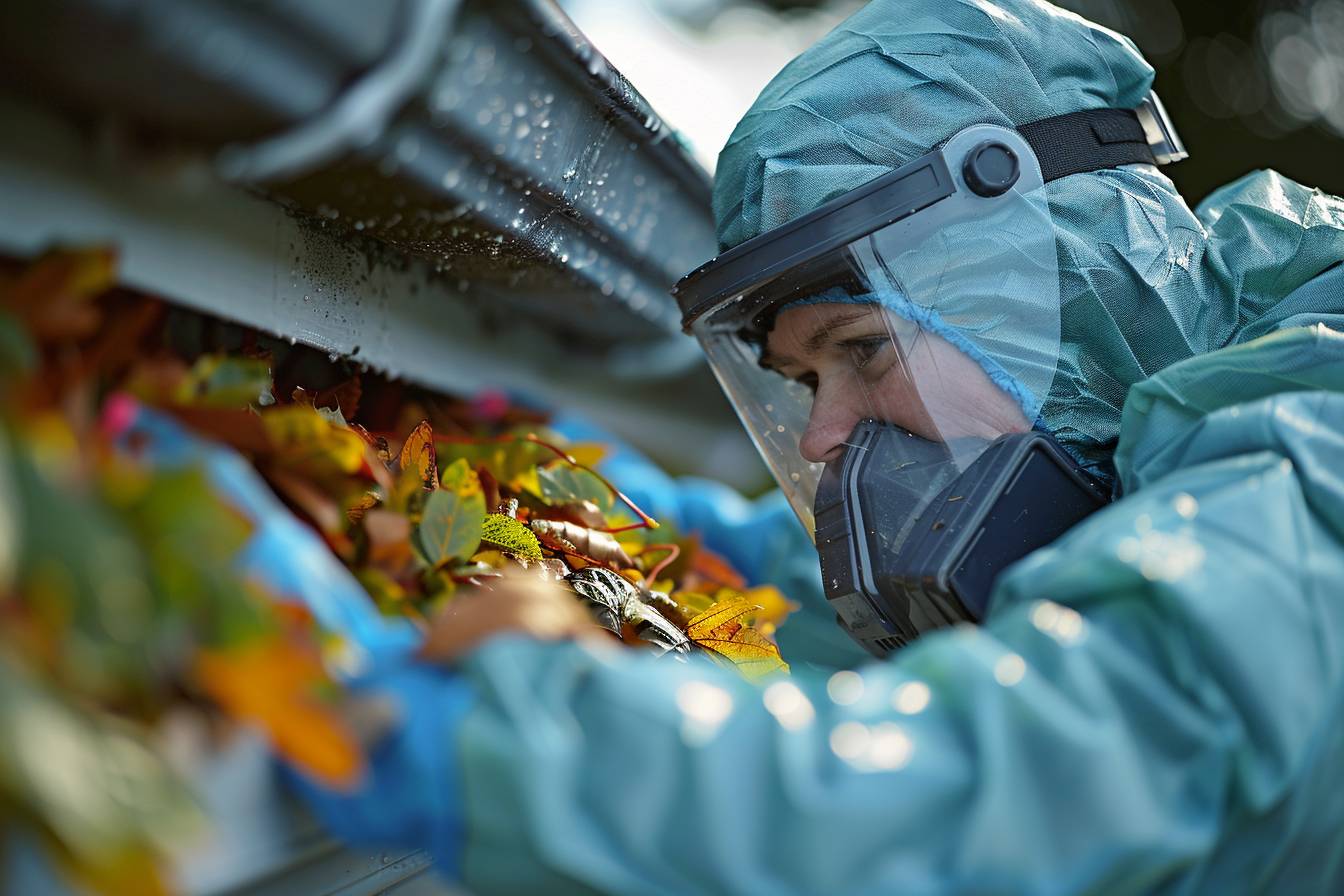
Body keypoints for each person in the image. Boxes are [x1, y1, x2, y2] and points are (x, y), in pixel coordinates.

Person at [290, 0, 1344, 892]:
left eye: (863, 350)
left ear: (1048, 291)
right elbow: (799, 592)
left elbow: (985, 792)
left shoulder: (1304, 477)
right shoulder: (1164, 440)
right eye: (802, 380)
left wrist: (502, 743)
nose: (822, 432)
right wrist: (596, 517)